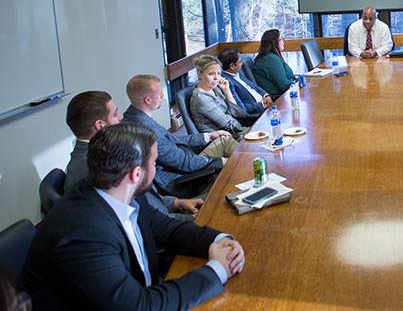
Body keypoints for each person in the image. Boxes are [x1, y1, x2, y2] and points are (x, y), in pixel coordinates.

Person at [22, 124, 245, 309]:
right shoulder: (83, 234)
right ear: (136, 174)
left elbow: (168, 229)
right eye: (154, 163)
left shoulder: (119, 191)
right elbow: (139, 307)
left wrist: (219, 240)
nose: (156, 170)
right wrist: (217, 270)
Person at [64, 91, 202, 220]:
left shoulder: (102, 153)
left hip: (166, 211)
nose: (120, 117)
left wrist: (178, 203)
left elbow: (143, 198)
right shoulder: (94, 167)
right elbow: (139, 219)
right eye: (114, 114)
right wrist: (189, 218)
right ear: (100, 125)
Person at [122, 75, 236, 198]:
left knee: (224, 140)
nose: (162, 96)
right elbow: (183, 162)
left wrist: (207, 136)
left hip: (186, 158)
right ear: (148, 100)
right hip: (184, 178)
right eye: (160, 93)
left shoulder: (134, 115)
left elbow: (172, 140)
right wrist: (222, 161)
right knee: (234, 174)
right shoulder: (145, 129)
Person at [190, 55, 250, 140]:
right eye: (211, 74)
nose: (216, 78)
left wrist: (227, 91)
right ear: (199, 74)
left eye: (218, 74)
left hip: (234, 133)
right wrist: (230, 113)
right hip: (225, 140)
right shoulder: (201, 98)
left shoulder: (215, 89)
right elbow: (230, 125)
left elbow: (237, 112)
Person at [218, 47, 272, 117]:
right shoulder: (227, 82)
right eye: (240, 61)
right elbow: (241, 108)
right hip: (257, 114)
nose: (242, 63)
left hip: (265, 105)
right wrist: (262, 105)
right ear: (232, 66)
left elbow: (254, 86)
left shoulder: (238, 72)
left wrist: (266, 95)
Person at [252, 29, 295, 98]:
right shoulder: (270, 59)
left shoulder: (271, 57)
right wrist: (295, 81)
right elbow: (284, 86)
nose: (283, 41)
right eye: (281, 39)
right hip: (279, 99)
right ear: (274, 43)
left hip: (284, 95)